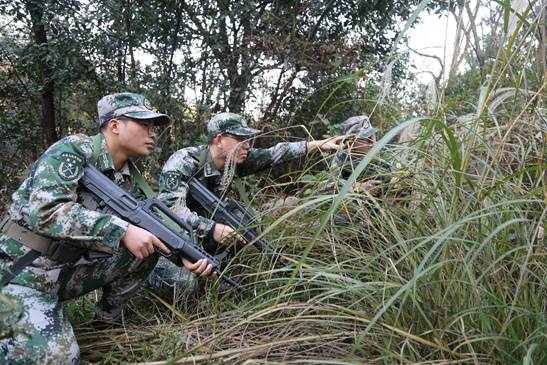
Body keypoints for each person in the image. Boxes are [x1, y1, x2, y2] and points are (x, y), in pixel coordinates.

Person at [0, 92, 213, 365]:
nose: (153, 134)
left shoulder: (128, 177)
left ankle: (105, 323)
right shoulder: (73, 150)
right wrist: (121, 231)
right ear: (114, 125)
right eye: (144, 125)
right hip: (20, 271)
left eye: (154, 128)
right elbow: (46, 212)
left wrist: (183, 254)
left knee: (147, 249)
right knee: (58, 359)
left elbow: (153, 228)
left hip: (64, 272)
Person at [148, 112, 342, 299]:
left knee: (246, 220)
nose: (247, 146)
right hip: (173, 237)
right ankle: (151, 277)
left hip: (202, 234)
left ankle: (220, 272)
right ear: (219, 139)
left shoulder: (235, 161)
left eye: (248, 140)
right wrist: (211, 228)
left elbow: (274, 153)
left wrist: (318, 144)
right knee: (182, 287)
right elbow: (169, 212)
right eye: (240, 139)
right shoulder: (184, 161)